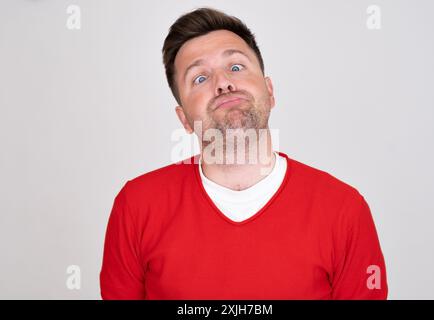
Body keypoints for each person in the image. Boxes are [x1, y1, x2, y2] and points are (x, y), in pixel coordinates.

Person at [100, 7, 388, 300]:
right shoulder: (135, 207)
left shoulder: (344, 210)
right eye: (200, 78)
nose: (223, 83)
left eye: (236, 67)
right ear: (184, 119)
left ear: (270, 91)